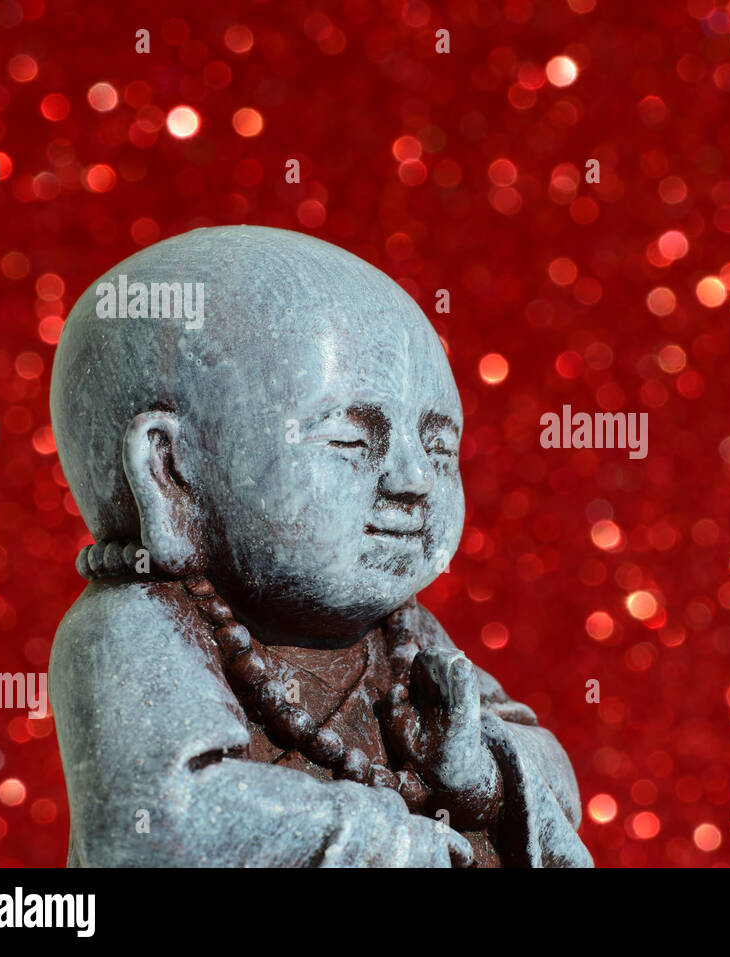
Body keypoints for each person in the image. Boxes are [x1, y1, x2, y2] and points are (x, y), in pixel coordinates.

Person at [48, 225, 592, 867]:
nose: (414, 482)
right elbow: (159, 824)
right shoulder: (134, 626)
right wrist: (397, 846)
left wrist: (474, 768)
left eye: (440, 448)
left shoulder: (404, 636)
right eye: (350, 443)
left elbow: (557, 777)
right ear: (172, 471)